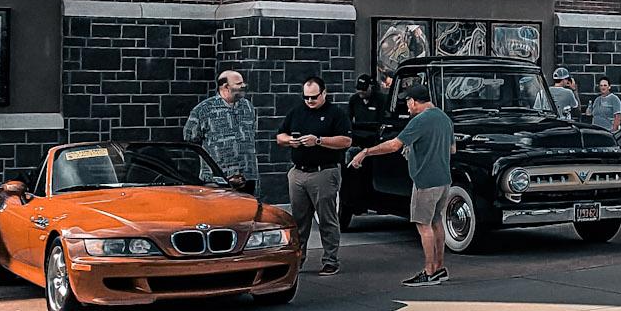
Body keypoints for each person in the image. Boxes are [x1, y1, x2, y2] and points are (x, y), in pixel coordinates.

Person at [348, 82, 454, 285]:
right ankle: (440, 268)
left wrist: (366, 152)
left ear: (414, 101)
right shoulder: (444, 118)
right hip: (444, 180)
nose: (407, 106)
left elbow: (394, 145)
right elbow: (452, 149)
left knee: (423, 225)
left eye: (407, 101)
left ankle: (429, 272)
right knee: (436, 221)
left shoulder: (419, 120)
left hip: (425, 181)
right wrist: (419, 151)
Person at [276, 74, 352, 277]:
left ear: (324, 93)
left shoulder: (336, 114)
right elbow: (280, 135)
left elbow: (346, 141)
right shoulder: (296, 112)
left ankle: (330, 260)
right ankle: (298, 259)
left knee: (327, 218)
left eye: (314, 97)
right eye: (306, 97)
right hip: (299, 171)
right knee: (299, 220)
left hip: (324, 171)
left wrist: (318, 140)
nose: (310, 101)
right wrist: (289, 141)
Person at [184, 70, 259, 186]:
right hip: (217, 179)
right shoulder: (204, 109)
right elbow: (190, 138)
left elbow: (253, 133)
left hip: (248, 177)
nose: (243, 86)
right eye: (239, 83)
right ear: (226, 86)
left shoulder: (248, 107)